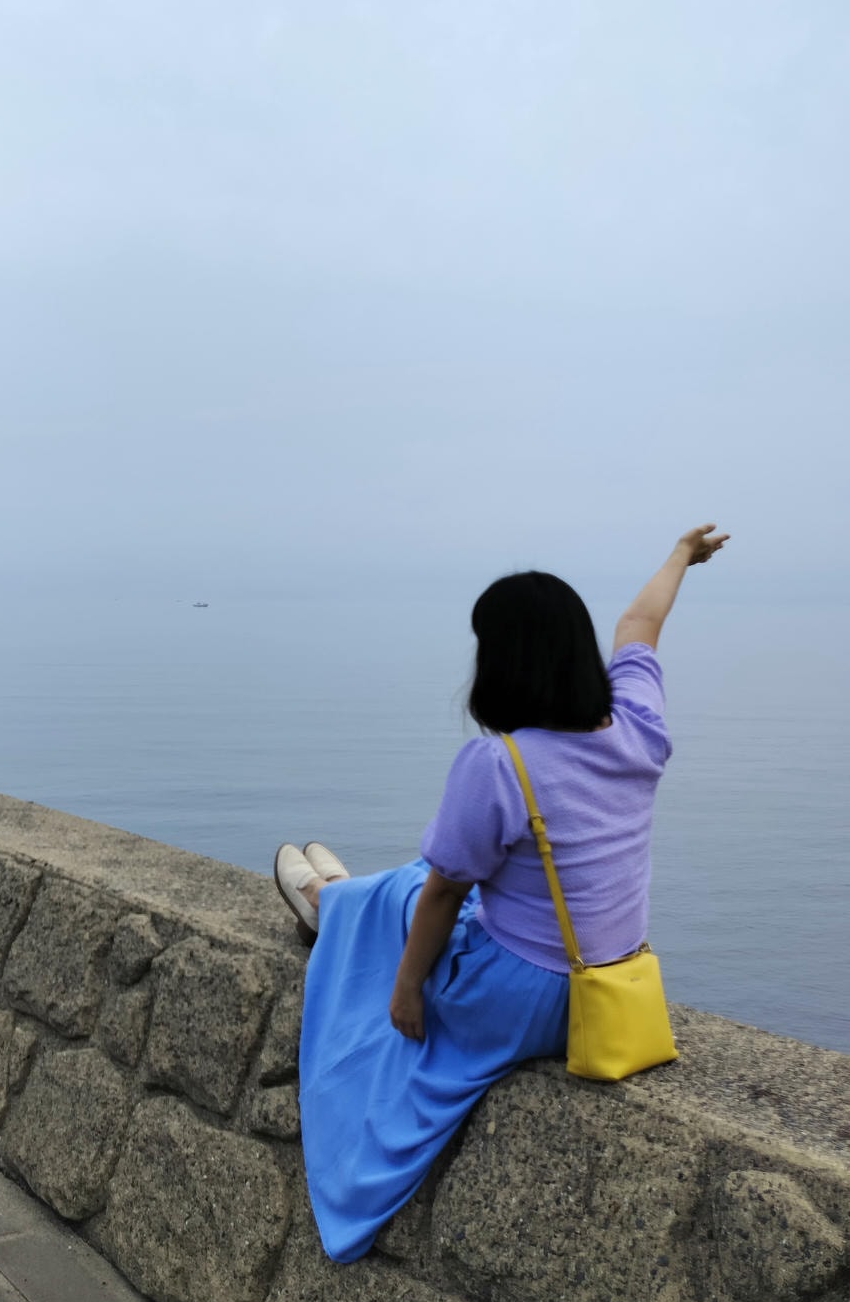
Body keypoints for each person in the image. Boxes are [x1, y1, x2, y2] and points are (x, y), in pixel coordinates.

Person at [273, 524, 728, 1262]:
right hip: (606, 993)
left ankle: (326, 901)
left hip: (523, 1002)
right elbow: (640, 623)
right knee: (421, 883)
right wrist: (683, 556)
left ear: (502, 664)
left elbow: (449, 893)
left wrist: (408, 990)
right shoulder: (639, 727)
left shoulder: (499, 763)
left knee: (412, 888)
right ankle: (335, 895)